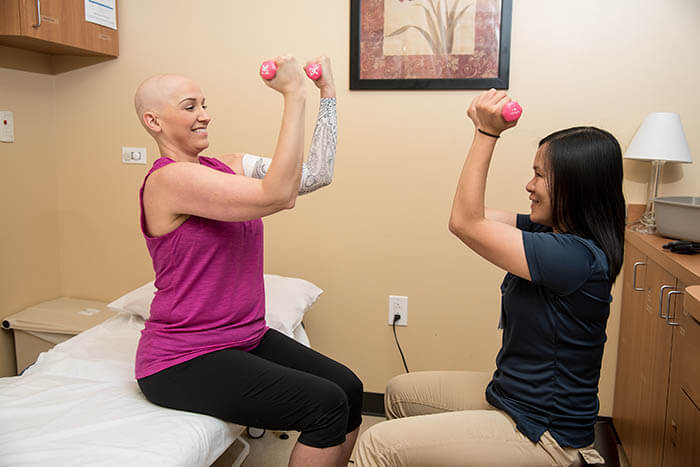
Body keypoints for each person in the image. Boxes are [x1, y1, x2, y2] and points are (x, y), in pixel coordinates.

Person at [355, 89, 626, 466]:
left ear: (574, 186)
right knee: (400, 393)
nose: (529, 185)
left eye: (539, 175)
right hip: (512, 397)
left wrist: (487, 133)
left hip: (545, 434)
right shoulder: (551, 232)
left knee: (378, 444)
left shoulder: (574, 258)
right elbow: (475, 215)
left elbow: (465, 223)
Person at [132, 55, 362, 467]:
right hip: (183, 358)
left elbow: (313, 175)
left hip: (244, 337)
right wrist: (293, 94)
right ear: (154, 121)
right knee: (325, 405)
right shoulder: (168, 181)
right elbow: (277, 195)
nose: (204, 115)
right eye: (190, 107)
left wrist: (326, 93)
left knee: (349, 388)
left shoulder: (231, 167)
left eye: (204, 105)